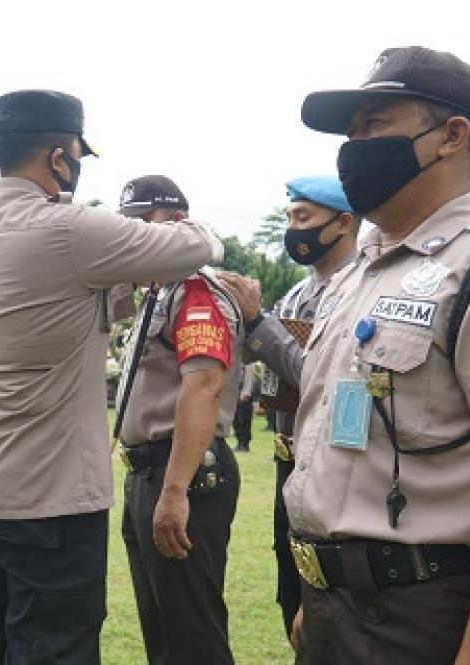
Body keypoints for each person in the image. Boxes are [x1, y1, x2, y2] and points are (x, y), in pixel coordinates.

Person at [226, 46, 470, 664]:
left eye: (374, 125)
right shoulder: (354, 277)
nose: (353, 147)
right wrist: (322, 599)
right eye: (350, 132)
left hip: (427, 615)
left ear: (451, 136)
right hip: (336, 609)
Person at [0, 91, 223, 665]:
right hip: (51, 497)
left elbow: (64, 310)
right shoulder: (69, 229)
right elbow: (198, 246)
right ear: (59, 158)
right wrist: (182, 225)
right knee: (54, 647)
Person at [115, 175, 243, 665]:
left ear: (178, 223)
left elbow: (204, 386)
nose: (135, 238)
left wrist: (174, 491)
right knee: (164, 632)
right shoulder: (159, 290)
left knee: (191, 637)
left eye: (145, 224)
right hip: (150, 471)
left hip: (184, 474)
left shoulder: (195, 291)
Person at [235, 175, 360, 642]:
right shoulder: (296, 294)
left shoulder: (355, 291)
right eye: (289, 217)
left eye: (303, 217)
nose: (294, 228)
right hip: (288, 459)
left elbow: (320, 376)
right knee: (292, 588)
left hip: (333, 462)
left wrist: (257, 321)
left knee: (330, 602)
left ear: (344, 222)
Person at [232, 362, 257, 452]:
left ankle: (244, 444)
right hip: (235, 389)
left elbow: (249, 375)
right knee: (235, 419)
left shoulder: (248, 359)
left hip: (243, 390)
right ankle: (239, 442)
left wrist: (246, 392)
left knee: (244, 419)